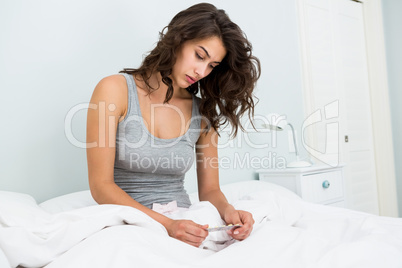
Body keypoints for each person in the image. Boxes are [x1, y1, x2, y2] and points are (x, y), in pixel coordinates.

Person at [86, 3, 261, 248]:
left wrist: (229, 212)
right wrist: (166, 225)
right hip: (130, 223)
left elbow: (210, 190)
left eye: (212, 66)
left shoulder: (203, 112)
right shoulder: (115, 90)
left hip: (186, 222)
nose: (201, 71)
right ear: (177, 40)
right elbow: (101, 186)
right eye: (200, 56)